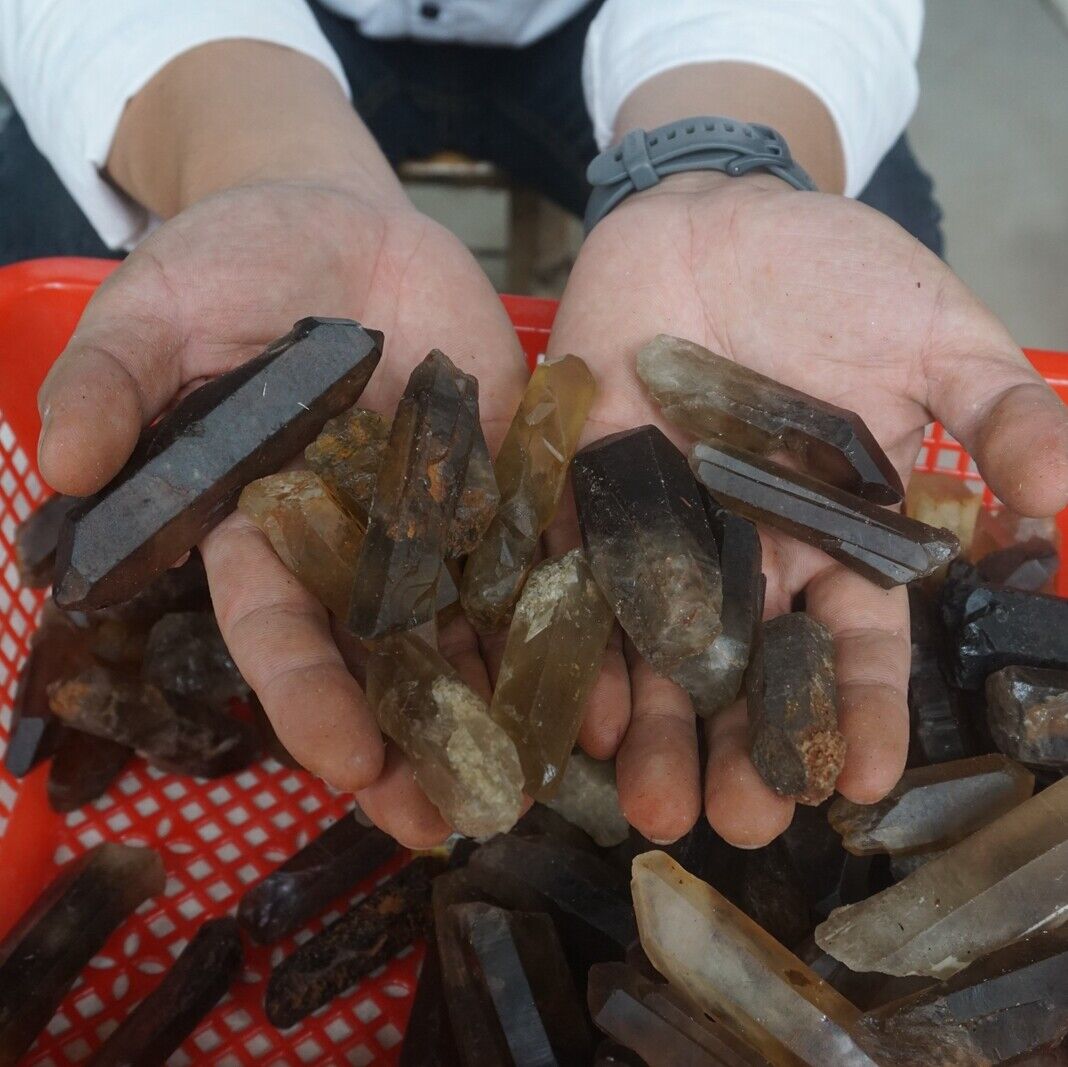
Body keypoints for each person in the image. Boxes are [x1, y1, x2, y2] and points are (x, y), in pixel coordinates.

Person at [1, 1, 1065, 852]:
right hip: (221, 46)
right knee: (64, 274)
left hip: (657, 31)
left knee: (882, 232)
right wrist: (258, 159)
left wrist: (718, 159)